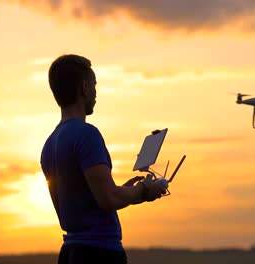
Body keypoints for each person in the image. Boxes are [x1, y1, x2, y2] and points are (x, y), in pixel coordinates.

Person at [40, 54, 167, 264]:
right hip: (99, 254)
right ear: (84, 88)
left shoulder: (50, 144)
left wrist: (126, 191)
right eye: (94, 85)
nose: (96, 94)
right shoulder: (86, 134)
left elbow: (88, 202)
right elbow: (108, 199)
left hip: (70, 253)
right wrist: (145, 191)